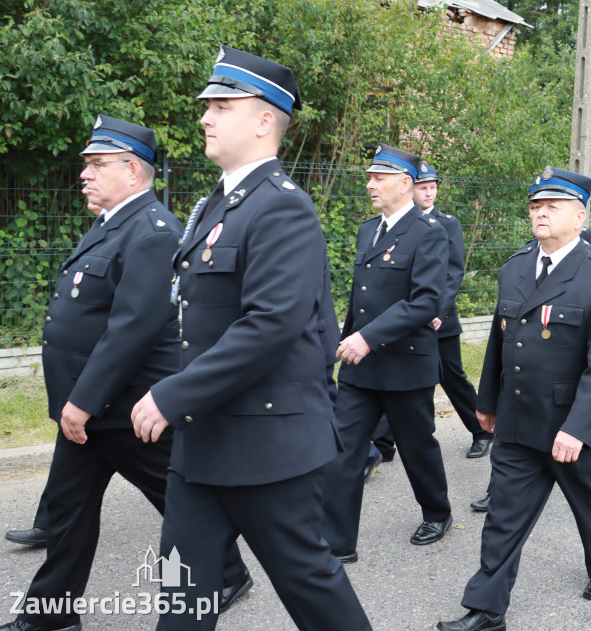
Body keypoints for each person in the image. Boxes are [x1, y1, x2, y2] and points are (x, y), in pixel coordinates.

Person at [130, 46, 369, 630]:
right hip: (202, 445)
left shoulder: (282, 209)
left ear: (264, 120)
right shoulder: (223, 201)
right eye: (206, 105)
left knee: (315, 593)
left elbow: (270, 326)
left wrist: (172, 395)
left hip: (268, 448)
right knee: (181, 601)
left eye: (221, 105)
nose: (205, 116)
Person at [1, 116, 252, 631]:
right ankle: (53, 615)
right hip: (93, 407)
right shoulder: (113, 223)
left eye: (97, 165)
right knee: (67, 516)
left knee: (179, 500)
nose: (84, 176)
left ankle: (228, 571)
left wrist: (82, 400)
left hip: (128, 408)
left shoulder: (153, 231)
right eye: (86, 165)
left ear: (134, 171)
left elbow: (132, 329)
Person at [438, 167, 591, 631]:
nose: (541, 213)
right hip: (519, 419)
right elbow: (500, 346)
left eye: (554, 206)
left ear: (580, 216)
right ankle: (487, 608)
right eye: (535, 206)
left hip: (571, 427)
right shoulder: (515, 268)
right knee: (504, 514)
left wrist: (578, 428)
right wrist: (486, 403)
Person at [322, 143, 453, 562]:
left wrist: (367, 337)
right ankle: (338, 542)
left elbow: (426, 301)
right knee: (343, 449)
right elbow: (361, 300)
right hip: (361, 365)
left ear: (406, 183)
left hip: (405, 363)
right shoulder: (367, 230)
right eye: (370, 177)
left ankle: (437, 511)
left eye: (379, 177)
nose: (370, 184)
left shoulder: (429, 232)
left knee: (416, 446)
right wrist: (346, 342)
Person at [415, 159, 494, 458]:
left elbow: (453, 274)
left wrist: (438, 311)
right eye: (423, 187)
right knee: (400, 376)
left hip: (440, 319)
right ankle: (383, 443)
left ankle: (482, 431)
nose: (429, 193)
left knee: (451, 377)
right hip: (406, 320)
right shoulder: (403, 223)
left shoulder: (448, 224)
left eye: (433, 187)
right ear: (410, 189)